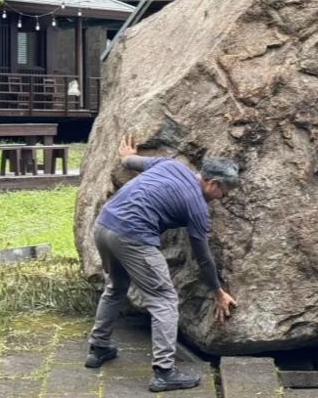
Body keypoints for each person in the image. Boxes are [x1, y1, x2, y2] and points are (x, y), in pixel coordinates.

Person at [85, 134, 240, 393]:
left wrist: (126, 157)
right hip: (133, 237)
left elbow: (133, 163)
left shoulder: (172, 165)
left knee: (116, 287)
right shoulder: (197, 207)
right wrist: (218, 292)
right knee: (164, 301)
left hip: (104, 225)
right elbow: (202, 256)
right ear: (212, 183)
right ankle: (164, 372)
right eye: (224, 191)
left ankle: (98, 348)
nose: (223, 197)